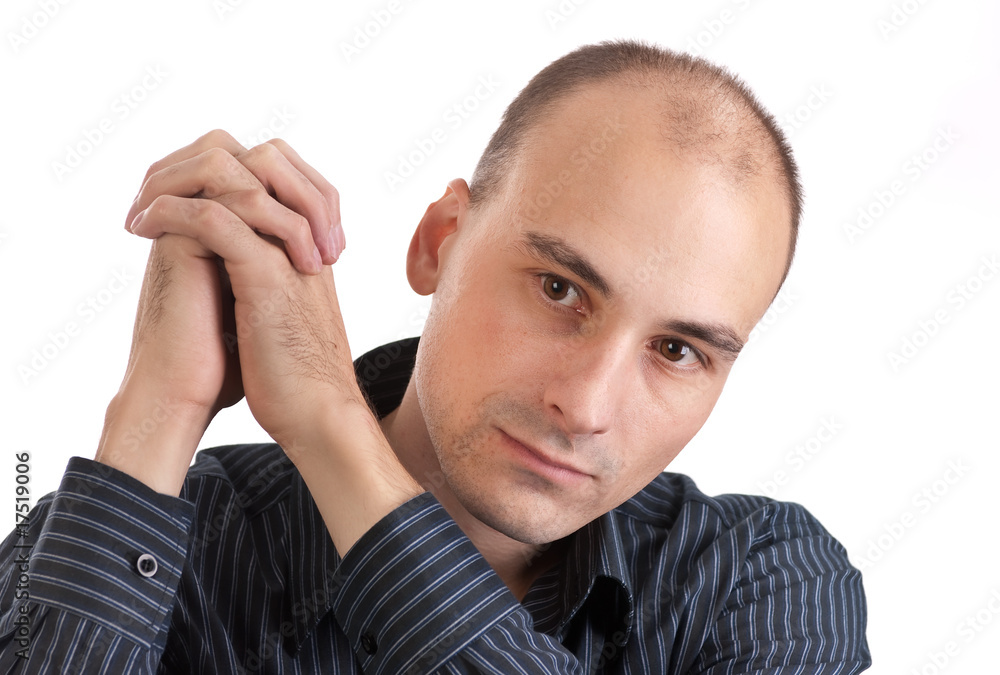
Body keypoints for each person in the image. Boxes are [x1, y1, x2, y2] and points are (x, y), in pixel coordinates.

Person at [0, 40, 870, 673]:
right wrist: (155, 412)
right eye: (559, 289)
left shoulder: (765, 583)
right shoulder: (149, 535)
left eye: (677, 350)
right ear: (438, 241)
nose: (586, 407)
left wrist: (332, 425)